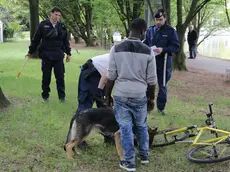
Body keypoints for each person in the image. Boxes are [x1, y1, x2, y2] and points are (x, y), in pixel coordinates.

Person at [106, 18, 157, 171]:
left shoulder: (116, 49)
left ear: (130, 29)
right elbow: (152, 80)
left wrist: (108, 95)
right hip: (140, 95)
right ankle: (144, 155)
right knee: (141, 125)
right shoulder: (148, 51)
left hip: (121, 94)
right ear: (143, 31)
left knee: (125, 128)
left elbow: (111, 76)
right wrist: (151, 97)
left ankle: (129, 162)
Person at [26, 7, 71, 103]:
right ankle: (45, 97)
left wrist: (68, 53)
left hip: (58, 55)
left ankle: (62, 98)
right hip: (46, 55)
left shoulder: (62, 26)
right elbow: (36, 39)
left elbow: (65, 41)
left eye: (59, 15)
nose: (57, 17)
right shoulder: (43, 25)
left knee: (60, 77)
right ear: (51, 14)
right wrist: (30, 51)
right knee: (46, 77)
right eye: (56, 14)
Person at [143, 9, 180, 115]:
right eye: (156, 19)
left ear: (165, 19)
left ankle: (161, 108)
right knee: (148, 84)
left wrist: (163, 49)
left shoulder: (170, 31)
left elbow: (176, 46)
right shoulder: (150, 30)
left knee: (162, 85)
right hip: (151, 61)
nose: (158, 22)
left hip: (163, 62)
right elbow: (146, 43)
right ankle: (147, 106)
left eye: (160, 19)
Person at [76, 53, 115, 144]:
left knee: (105, 107)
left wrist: (107, 95)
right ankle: (77, 138)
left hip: (102, 74)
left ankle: (109, 135)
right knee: (85, 107)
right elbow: (107, 73)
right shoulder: (121, 56)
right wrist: (104, 93)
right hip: (93, 72)